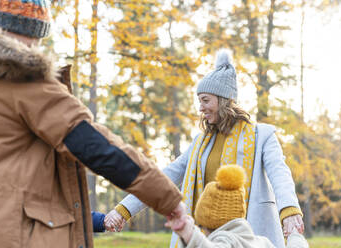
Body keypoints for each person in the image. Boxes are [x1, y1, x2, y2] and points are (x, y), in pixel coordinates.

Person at [0, 1, 186, 247]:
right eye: (35, 36)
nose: (37, 46)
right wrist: (167, 198)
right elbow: (95, 146)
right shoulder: (24, 81)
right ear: (26, 32)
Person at [105, 49, 304, 248]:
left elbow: (280, 173)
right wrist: (124, 209)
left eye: (205, 100)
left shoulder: (262, 135)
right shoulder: (200, 144)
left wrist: (289, 210)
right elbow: (164, 177)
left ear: (224, 99)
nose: (200, 108)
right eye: (199, 100)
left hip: (249, 237)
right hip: (208, 237)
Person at [165, 164, 309, 248]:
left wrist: (189, 233)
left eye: (202, 227)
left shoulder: (225, 240)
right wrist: (295, 236)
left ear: (207, 223)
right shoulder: (262, 242)